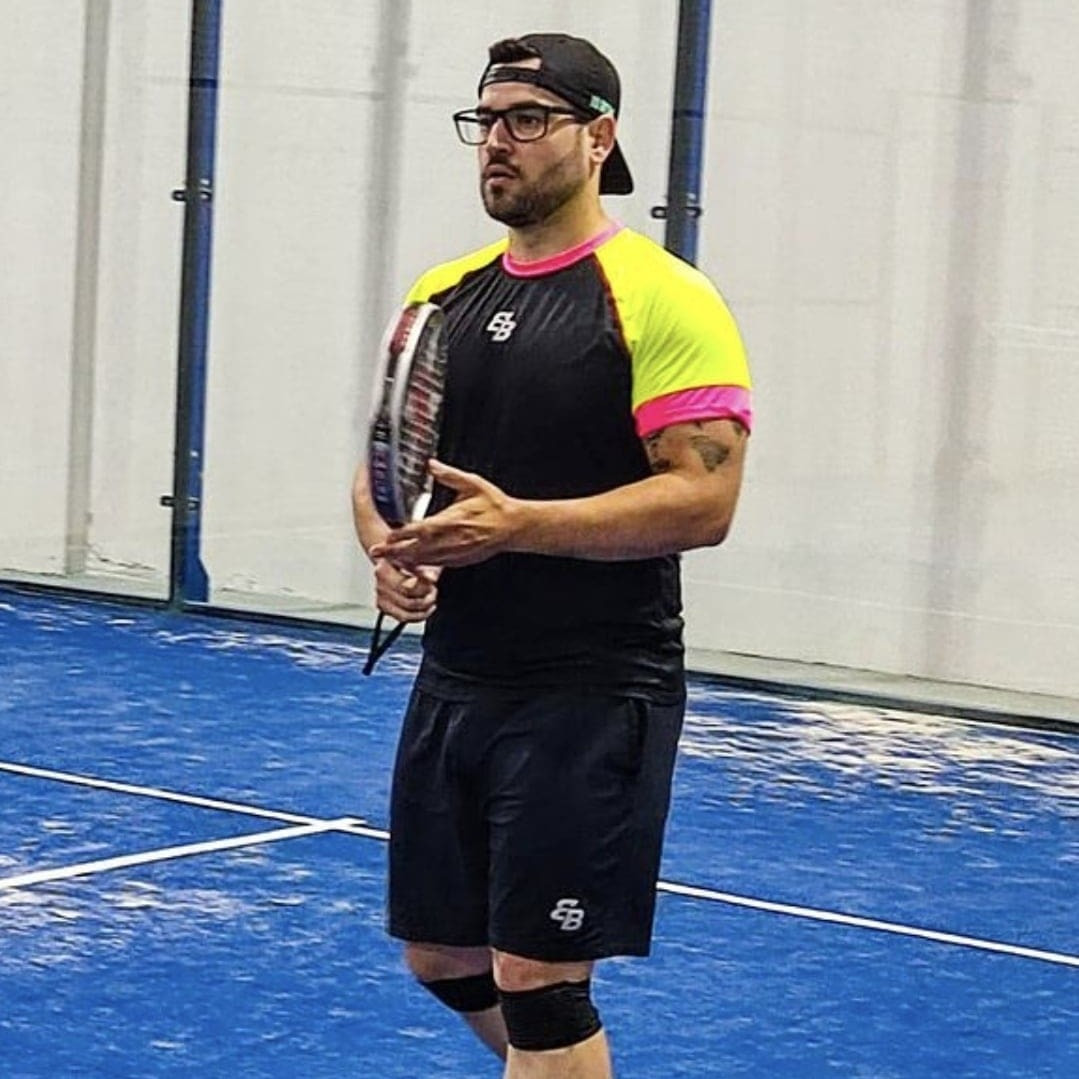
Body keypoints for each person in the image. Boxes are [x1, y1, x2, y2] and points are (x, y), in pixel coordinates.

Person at [352, 32, 752, 1079]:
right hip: (456, 677)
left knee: (539, 979)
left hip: (590, 689)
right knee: (441, 954)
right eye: (485, 121)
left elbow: (705, 498)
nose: (498, 142)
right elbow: (386, 460)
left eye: (528, 120)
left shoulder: (663, 295)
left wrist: (519, 524)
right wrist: (390, 548)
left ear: (598, 137)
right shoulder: (442, 293)